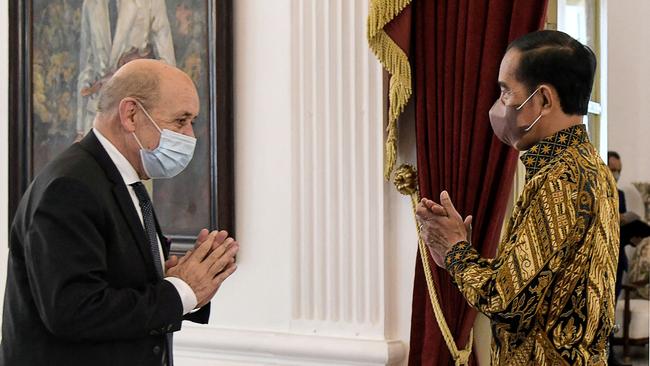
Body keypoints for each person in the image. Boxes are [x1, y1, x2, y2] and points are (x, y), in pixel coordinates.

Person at [0, 59, 239, 366]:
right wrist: (180, 290)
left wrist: (184, 284)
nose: (190, 136)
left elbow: (114, 287)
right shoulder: (70, 186)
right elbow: (73, 311)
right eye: (180, 121)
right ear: (131, 115)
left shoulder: (120, 181)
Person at [416, 30, 619, 365]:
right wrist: (457, 254)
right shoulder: (585, 166)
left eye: (506, 91)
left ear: (542, 99)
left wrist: (455, 251)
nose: (500, 105)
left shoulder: (561, 181)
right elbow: (532, 291)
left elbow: (505, 302)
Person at [77, 0, 176, 140]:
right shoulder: (91, 4)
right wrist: (81, 130)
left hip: (136, 115)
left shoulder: (151, 3)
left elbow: (168, 67)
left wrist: (135, 66)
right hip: (97, 116)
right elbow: (87, 64)